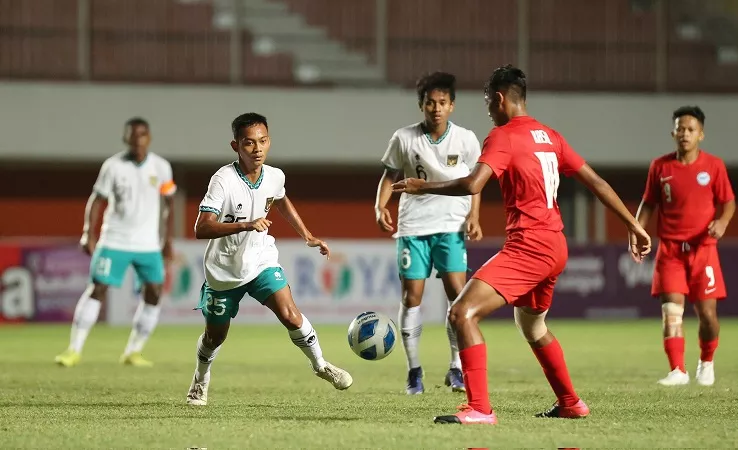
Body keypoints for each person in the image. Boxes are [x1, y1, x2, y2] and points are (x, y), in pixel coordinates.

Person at [393, 65, 652, 425]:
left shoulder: (503, 136)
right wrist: (634, 225)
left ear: (499, 99)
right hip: (555, 245)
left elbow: (472, 184)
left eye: (488, 102)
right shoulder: (550, 136)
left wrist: (423, 186)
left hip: (530, 246)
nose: (488, 110)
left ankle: (480, 409)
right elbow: (596, 182)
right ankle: (570, 402)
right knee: (532, 327)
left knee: (461, 313)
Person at [186, 112, 352, 406]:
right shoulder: (223, 180)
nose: (257, 149)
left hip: (261, 260)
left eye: (263, 141)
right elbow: (202, 228)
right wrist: (246, 225)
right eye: (249, 143)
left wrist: (307, 235)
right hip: (223, 271)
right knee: (215, 337)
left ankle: (320, 364)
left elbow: (281, 200)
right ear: (236, 146)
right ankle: (200, 379)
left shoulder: (275, 176)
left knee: (290, 315)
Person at [375, 71, 483, 394]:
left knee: (458, 297)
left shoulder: (466, 139)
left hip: (451, 226)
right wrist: (380, 206)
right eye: (430, 103)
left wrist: (474, 215)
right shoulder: (404, 138)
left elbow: (476, 182)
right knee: (412, 297)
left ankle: (456, 368)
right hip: (414, 227)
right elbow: (389, 175)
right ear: (421, 105)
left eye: (442, 102)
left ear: (452, 105)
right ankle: (414, 372)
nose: (436, 108)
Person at [55, 117, 175, 368]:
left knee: (154, 293)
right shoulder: (113, 166)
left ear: (149, 137)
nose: (137, 139)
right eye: (133, 134)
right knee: (98, 288)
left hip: (148, 244)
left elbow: (168, 204)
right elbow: (96, 200)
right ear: (125, 138)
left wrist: (167, 240)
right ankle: (73, 350)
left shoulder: (162, 167)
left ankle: (133, 352)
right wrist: (88, 233)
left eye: (142, 134)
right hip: (114, 240)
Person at [633, 105, 735, 387]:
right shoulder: (660, 167)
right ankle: (677, 369)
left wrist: (722, 222)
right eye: (680, 129)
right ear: (673, 133)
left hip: (704, 249)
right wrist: (637, 231)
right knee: (671, 312)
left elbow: (728, 202)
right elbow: (648, 204)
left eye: (691, 129)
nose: (685, 134)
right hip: (670, 251)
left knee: (708, 316)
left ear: (701, 134)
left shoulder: (714, 166)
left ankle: (707, 361)